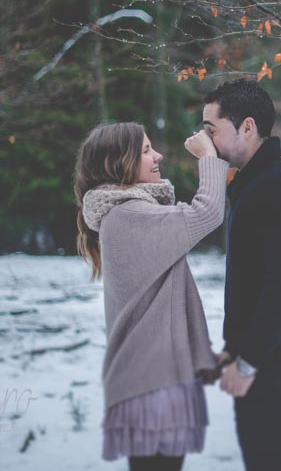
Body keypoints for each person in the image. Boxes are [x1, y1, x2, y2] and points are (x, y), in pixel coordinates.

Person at [73, 122, 232, 471]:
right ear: (119, 162)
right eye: (146, 150)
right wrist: (208, 157)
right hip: (154, 382)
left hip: (152, 377)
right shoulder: (131, 214)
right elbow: (207, 213)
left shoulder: (128, 214)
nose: (158, 155)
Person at [201, 79, 281, 471]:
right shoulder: (257, 183)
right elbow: (255, 281)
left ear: (247, 127)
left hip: (277, 367)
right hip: (263, 359)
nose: (203, 139)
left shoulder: (278, 187)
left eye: (210, 129)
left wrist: (248, 361)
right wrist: (235, 350)